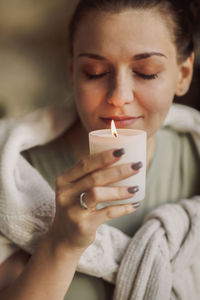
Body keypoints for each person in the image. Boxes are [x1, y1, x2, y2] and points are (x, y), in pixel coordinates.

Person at [0, 0, 200, 299]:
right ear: (72, 73)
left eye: (146, 72)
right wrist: (61, 246)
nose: (119, 96)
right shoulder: (15, 177)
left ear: (183, 75)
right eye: (94, 72)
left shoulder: (193, 154)